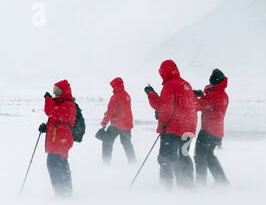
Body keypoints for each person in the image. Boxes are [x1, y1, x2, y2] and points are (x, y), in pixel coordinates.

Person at [144, 59, 197, 188]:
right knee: (184, 156)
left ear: (164, 72)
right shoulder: (187, 85)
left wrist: (150, 94)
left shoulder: (169, 86)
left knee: (166, 159)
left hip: (172, 129)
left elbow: (164, 108)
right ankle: (187, 186)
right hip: (188, 129)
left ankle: (166, 187)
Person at [38, 79, 77, 196]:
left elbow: (51, 111)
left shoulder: (68, 104)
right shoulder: (61, 103)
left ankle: (61, 194)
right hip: (59, 141)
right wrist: (47, 127)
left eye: (57, 90)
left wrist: (48, 99)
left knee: (54, 165)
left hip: (60, 142)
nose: (55, 93)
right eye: (54, 90)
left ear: (63, 91)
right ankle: (66, 193)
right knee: (61, 165)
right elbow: (57, 120)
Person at [194, 69, 229, 185]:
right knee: (209, 156)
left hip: (208, 131)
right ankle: (221, 180)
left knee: (199, 156)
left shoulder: (214, 96)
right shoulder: (223, 95)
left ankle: (201, 182)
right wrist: (203, 95)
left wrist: (192, 96)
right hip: (217, 132)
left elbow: (197, 105)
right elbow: (211, 104)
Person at [98, 77, 135, 164]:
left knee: (107, 141)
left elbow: (111, 111)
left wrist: (104, 121)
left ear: (115, 86)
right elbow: (120, 109)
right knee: (127, 144)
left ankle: (106, 162)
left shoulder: (115, 97)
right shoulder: (126, 95)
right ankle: (133, 162)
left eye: (113, 86)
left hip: (117, 124)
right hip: (127, 124)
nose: (112, 88)